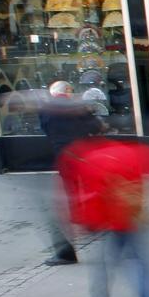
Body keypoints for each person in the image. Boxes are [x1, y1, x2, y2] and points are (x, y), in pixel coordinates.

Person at [56, 137, 149, 297]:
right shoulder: (133, 153)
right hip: (137, 217)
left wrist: (87, 223)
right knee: (143, 263)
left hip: (113, 222)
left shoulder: (90, 162)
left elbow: (90, 198)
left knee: (105, 261)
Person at [40, 80, 103, 266]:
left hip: (64, 154)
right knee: (90, 185)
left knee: (71, 189)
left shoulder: (46, 109)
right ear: (68, 91)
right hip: (84, 152)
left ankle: (79, 219)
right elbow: (95, 127)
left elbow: (46, 130)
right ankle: (93, 220)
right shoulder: (79, 106)